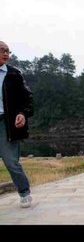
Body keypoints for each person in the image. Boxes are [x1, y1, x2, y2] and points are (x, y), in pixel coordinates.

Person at [0, 41, 34, 208]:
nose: (6, 54)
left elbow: (27, 98)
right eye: (2, 50)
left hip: (5, 122)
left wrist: (22, 113)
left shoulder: (14, 75)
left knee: (11, 161)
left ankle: (24, 192)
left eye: (8, 51)